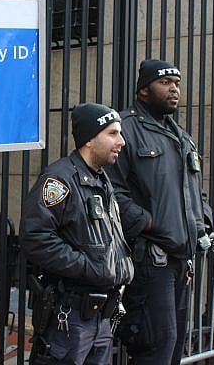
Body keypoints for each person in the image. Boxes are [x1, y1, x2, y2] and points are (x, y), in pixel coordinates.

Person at [105, 59, 213, 365]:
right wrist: (150, 224)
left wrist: (203, 220)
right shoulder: (124, 130)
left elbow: (196, 189)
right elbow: (112, 191)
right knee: (155, 347)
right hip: (151, 260)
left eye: (176, 83)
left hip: (184, 259)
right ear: (143, 90)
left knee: (176, 345)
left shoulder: (181, 136)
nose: (174, 89)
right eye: (165, 83)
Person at [20, 102, 135, 365]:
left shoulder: (101, 179)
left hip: (102, 317)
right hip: (71, 317)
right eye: (113, 133)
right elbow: (36, 238)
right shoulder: (59, 179)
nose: (122, 141)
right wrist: (89, 267)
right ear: (89, 140)